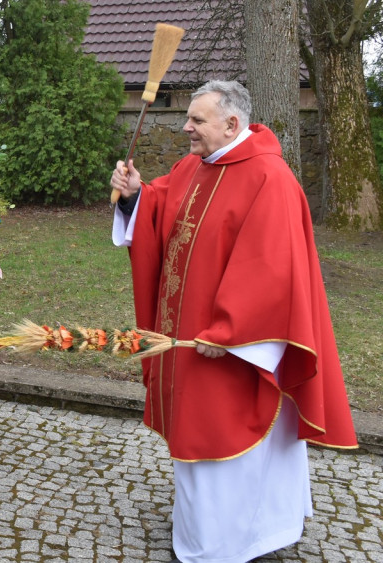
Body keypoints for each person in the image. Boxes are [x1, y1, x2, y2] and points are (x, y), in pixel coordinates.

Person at [109, 80, 357, 563]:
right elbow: (163, 211)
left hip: (233, 346)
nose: (186, 128)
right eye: (189, 119)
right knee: (194, 428)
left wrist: (231, 331)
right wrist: (136, 195)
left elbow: (271, 265)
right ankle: (208, 530)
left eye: (196, 120)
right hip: (189, 334)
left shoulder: (270, 179)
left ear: (232, 123)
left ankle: (236, 538)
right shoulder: (193, 167)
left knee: (228, 431)